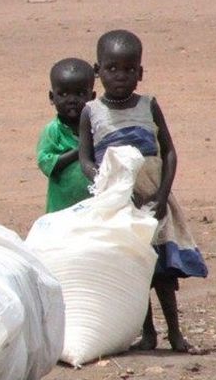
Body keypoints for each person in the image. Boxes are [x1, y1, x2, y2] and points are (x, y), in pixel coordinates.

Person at [78, 29, 207, 354]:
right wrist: (110, 185)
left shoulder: (149, 106)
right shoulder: (91, 112)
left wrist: (163, 195)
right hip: (119, 205)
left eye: (128, 69)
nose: (120, 76)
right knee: (135, 270)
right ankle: (147, 333)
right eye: (112, 68)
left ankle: (176, 335)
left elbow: (170, 152)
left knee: (162, 272)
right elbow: (86, 159)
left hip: (154, 201)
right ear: (98, 71)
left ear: (140, 72)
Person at [37, 57, 95, 213]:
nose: (71, 100)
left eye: (80, 93)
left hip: (94, 209)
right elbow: (46, 164)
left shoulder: (98, 128)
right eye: (63, 94)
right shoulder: (53, 131)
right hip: (61, 209)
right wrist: (80, 151)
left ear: (93, 96)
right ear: (51, 97)